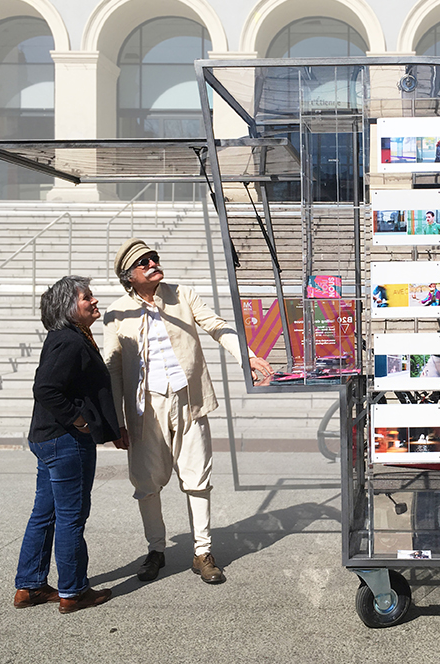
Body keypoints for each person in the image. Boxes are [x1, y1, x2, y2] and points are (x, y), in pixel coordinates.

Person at [103, 239, 273, 585]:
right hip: (144, 407)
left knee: (198, 478)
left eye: (154, 258)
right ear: (130, 276)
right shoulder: (116, 311)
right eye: (144, 262)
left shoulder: (183, 294)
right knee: (146, 484)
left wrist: (248, 357)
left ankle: (202, 552)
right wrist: (116, 421)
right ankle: (155, 550)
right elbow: (114, 370)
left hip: (190, 399)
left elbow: (217, 326)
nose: (153, 263)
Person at [14, 276, 125, 614]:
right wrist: (80, 421)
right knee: (71, 517)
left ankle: (30, 586)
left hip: (47, 439)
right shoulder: (71, 342)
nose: (94, 301)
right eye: (86, 297)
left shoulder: (66, 337)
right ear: (69, 307)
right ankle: (73, 591)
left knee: (44, 513)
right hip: (66, 442)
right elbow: (46, 389)